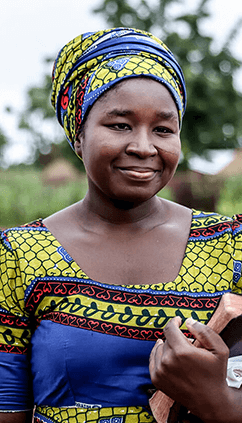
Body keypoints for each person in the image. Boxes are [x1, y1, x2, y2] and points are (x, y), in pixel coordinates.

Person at [0, 27, 241, 423]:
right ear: (78, 136)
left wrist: (219, 401)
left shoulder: (231, 244)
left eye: (163, 129)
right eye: (120, 125)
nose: (144, 147)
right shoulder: (21, 256)